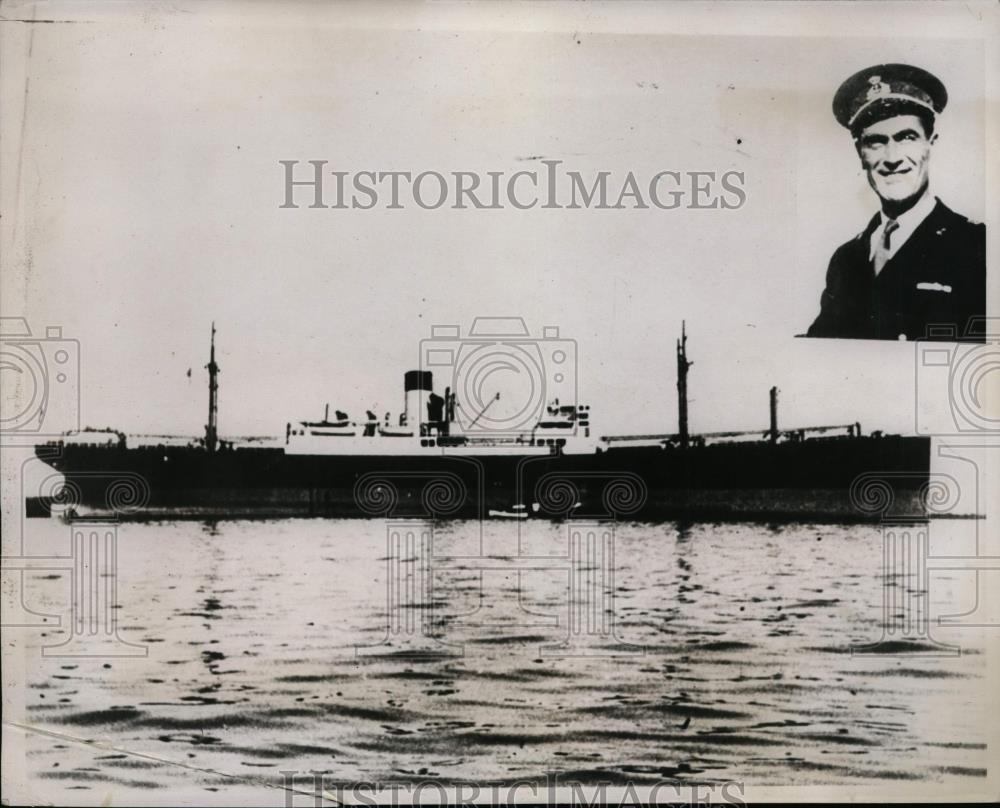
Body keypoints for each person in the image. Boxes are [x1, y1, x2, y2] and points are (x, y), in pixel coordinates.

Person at [806, 64, 985, 342]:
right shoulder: (847, 259)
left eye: (906, 138)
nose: (892, 158)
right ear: (859, 153)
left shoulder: (978, 246)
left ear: (931, 143)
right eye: (876, 142)